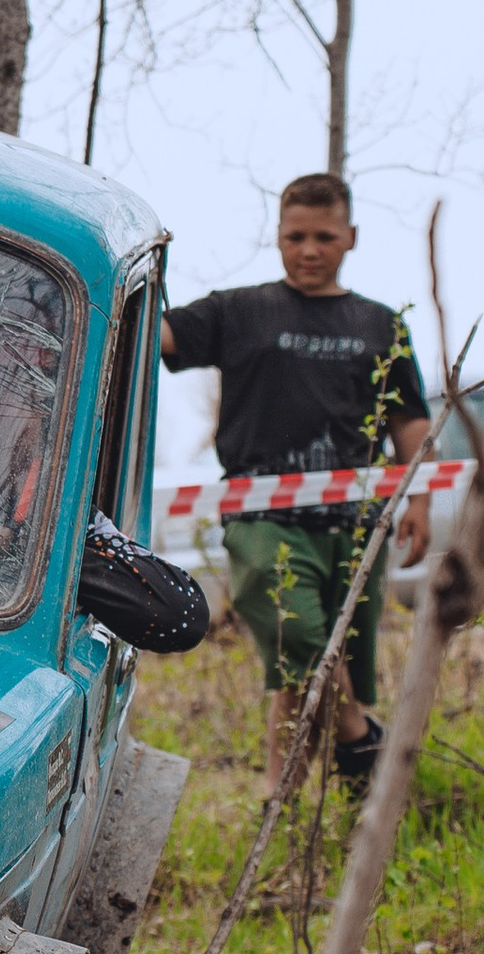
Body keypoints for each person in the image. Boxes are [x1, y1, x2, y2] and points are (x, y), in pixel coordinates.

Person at [161, 173, 432, 793]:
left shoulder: (380, 325)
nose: (309, 249)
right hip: (264, 519)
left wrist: (418, 498)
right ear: (278, 237)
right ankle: (364, 742)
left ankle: (279, 815)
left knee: (300, 678)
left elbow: (408, 417)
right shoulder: (239, 310)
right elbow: (159, 332)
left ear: (350, 237)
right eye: (295, 237)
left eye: (324, 236)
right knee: (302, 635)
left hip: (356, 525)